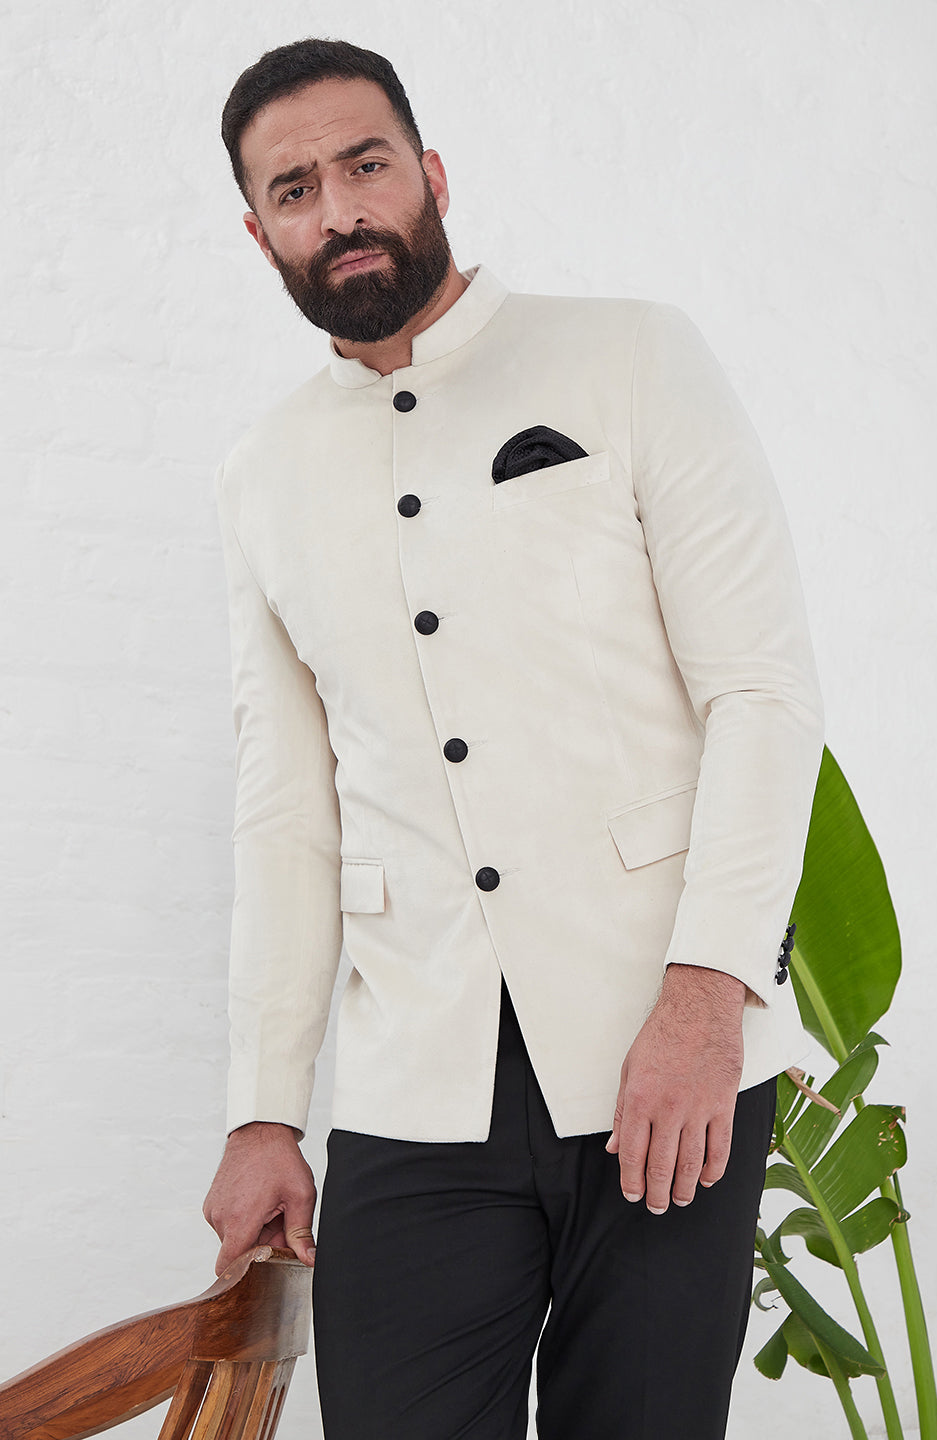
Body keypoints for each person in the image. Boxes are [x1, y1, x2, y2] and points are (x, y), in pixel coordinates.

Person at [203, 37, 824, 1440]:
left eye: (366, 164)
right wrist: (263, 1111)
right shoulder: (261, 476)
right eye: (295, 189)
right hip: (414, 1079)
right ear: (261, 234)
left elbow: (763, 695)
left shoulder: (632, 356)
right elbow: (285, 809)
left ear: (430, 173)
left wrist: (706, 999)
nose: (340, 208)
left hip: (660, 1050)